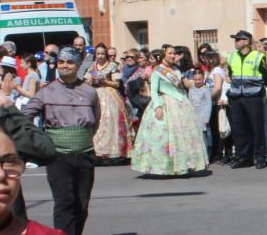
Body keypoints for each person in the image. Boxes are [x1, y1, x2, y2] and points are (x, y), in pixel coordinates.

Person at [21, 47, 99, 235]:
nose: (64, 65)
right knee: (64, 202)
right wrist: (37, 141)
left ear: (78, 65)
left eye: (69, 62)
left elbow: (95, 121)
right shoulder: (47, 91)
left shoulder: (90, 92)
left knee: (81, 203)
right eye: (62, 62)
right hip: (58, 156)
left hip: (85, 153)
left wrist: (83, 139)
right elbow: (26, 115)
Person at [131, 46, 209, 177]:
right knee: (163, 136)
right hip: (164, 103)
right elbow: (154, 91)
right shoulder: (157, 71)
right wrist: (158, 107)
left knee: (182, 136)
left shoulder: (176, 70)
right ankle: (164, 166)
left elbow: (181, 87)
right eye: (170, 53)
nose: (173, 56)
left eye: (174, 53)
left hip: (180, 103)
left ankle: (184, 164)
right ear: (164, 55)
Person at [225, 31, 267, 169]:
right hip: (237, 96)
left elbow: (266, 76)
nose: (236, 42)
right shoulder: (232, 57)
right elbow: (231, 74)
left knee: (257, 128)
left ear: (246, 41)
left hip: (253, 97)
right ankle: (243, 157)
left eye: (238, 39)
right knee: (239, 129)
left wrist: (256, 88)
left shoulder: (258, 56)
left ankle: (260, 157)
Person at [84, 43, 133, 164]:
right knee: (96, 122)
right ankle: (97, 151)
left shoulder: (113, 66)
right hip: (95, 95)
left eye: (102, 54)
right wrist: (90, 81)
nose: (100, 56)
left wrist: (104, 81)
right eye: (98, 54)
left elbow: (117, 84)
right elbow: (86, 81)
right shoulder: (91, 66)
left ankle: (113, 151)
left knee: (110, 121)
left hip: (109, 95)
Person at [189, 71, 213, 153]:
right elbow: (189, 103)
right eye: (195, 79)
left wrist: (207, 117)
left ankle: (207, 155)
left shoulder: (206, 90)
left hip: (203, 117)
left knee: (204, 137)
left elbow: (209, 104)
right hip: (194, 116)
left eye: (199, 79)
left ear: (203, 79)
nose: (197, 81)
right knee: (196, 137)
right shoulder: (191, 90)